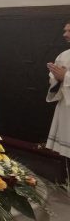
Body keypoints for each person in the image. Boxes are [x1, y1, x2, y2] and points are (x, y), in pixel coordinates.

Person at [46, 21, 70, 157]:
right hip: (66, 109)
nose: (65, 34)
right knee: (65, 156)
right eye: (65, 30)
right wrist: (56, 77)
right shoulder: (64, 56)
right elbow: (53, 82)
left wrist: (65, 76)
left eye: (69, 31)